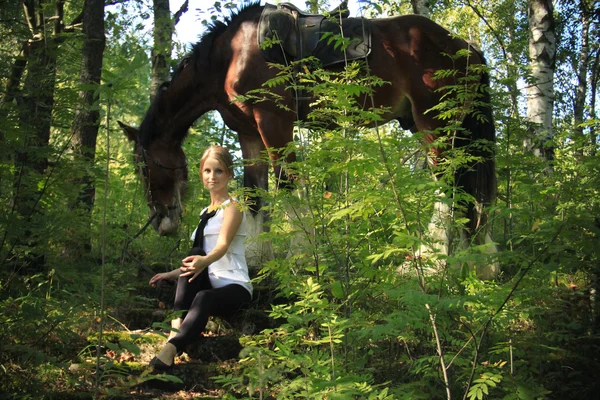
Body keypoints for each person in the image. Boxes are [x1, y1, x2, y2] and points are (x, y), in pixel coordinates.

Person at [148, 145, 253, 371]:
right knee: (194, 253)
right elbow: (198, 259)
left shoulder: (234, 207)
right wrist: (172, 274)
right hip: (207, 276)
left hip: (234, 285)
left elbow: (222, 246)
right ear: (201, 174)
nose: (212, 176)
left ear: (230, 174)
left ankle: (170, 348)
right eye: (207, 171)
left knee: (204, 296)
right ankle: (176, 326)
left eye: (219, 171)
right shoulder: (204, 213)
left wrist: (202, 262)